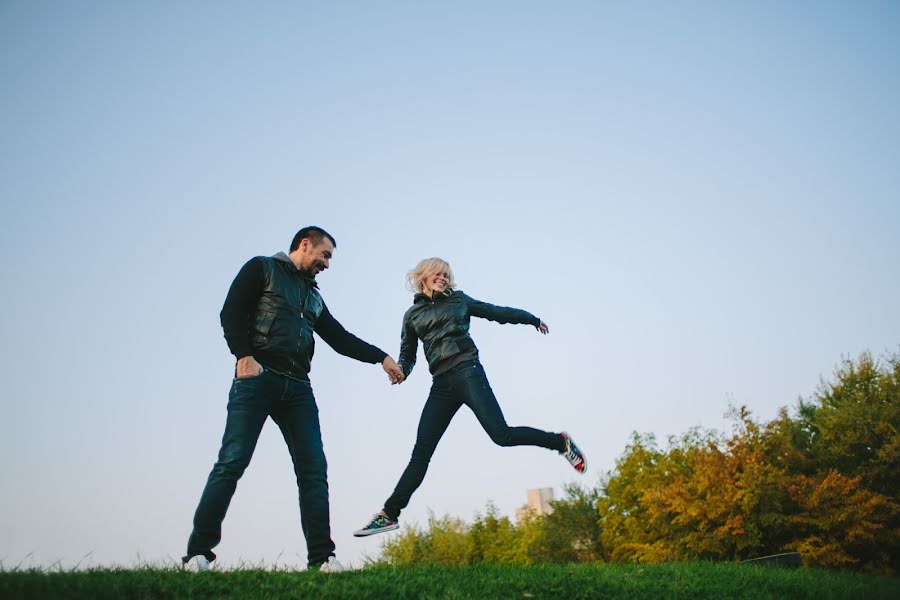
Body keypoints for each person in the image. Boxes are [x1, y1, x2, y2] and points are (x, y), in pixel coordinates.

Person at [183, 226, 404, 572]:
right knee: (232, 462)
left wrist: (381, 357)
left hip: (298, 388)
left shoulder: (314, 297)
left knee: (314, 471)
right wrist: (244, 356)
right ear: (305, 245)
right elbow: (231, 313)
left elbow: (340, 338)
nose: (327, 264)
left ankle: (322, 558)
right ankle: (197, 553)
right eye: (325, 255)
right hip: (257, 379)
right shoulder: (261, 268)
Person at [353, 257, 586, 537]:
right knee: (420, 453)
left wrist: (531, 319)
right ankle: (389, 514)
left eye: (446, 275)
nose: (443, 278)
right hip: (441, 384)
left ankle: (560, 442)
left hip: (467, 371)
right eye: (437, 274)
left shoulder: (460, 300)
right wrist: (401, 370)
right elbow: (408, 354)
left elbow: (496, 312)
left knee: (502, 435)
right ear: (424, 277)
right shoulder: (411, 316)